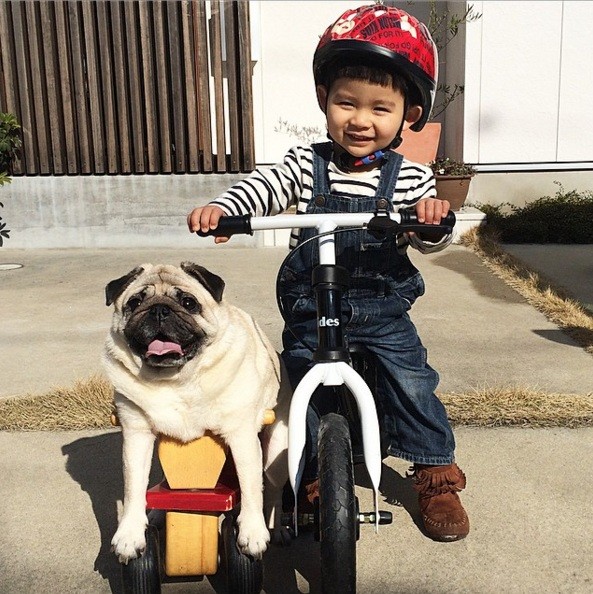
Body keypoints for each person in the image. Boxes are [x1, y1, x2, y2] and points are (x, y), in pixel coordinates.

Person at [187, 3, 469, 542]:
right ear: (324, 101)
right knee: (299, 393)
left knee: (412, 380)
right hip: (310, 306)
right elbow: (262, 187)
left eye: (379, 108)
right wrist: (226, 210)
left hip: (381, 307)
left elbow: (431, 234)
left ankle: (435, 470)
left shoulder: (408, 178)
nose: (361, 120)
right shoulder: (304, 163)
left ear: (408, 113)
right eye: (346, 103)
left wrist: (431, 221)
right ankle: (314, 476)